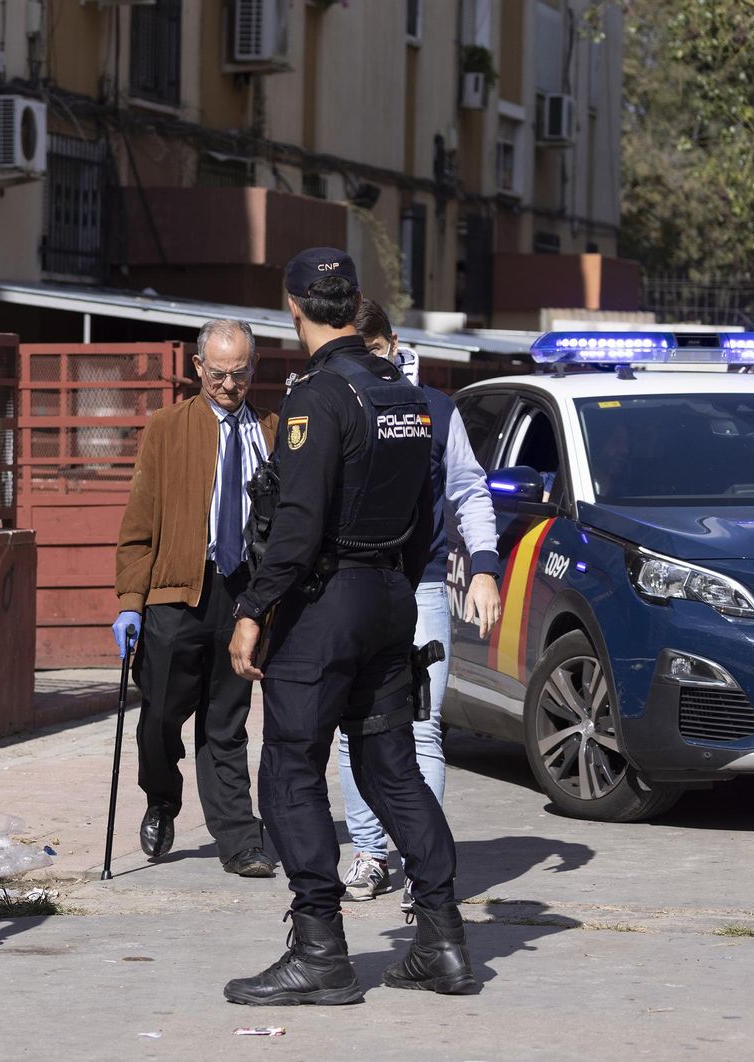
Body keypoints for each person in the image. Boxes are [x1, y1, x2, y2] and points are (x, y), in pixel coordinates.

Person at [224, 249, 477, 1006]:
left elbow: (297, 527)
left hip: (326, 605)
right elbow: (424, 511)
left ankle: (321, 951)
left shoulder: (317, 398)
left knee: (290, 769)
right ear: (354, 300)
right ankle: (442, 941)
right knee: (391, 768)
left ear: (293, 306)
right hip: (390, 598)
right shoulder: (405, 394)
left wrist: (251, 610)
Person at [338, 300, 502, 908]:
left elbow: (468, 489)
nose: (364, 362)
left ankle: (420, 864)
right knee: (351, 727)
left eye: (372, 348)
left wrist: (482, 570)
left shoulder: (436, 410)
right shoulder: (335, 406)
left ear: (391, 342)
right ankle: (368, 853)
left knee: (422, 729)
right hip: (349, 588)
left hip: (423, 587)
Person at [111, 319, 278, 877]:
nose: (229, 384)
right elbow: (139, 522)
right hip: (175, 593)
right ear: (197, 368)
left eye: (240, 373)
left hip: (240, 595)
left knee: (225, 723)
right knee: (160, 718)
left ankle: (239, 840)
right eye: (219, 373)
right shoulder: (166, 428)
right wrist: (130, 601)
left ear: (253, 368)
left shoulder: (272, 431)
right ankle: (162, 799)